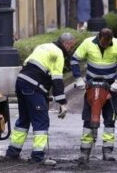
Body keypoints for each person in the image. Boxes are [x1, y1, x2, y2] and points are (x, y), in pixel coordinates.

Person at [6, 32, 78, 164]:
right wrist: (62, 102)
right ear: (66, 44)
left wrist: (43, 93)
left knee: (24, 119)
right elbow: (57, 80)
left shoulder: (43, 46)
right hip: (33, 87)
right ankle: (37, 156)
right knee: (41, 121)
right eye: (71, 46)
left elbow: (29, 65)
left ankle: (12, 153)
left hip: (21, 82)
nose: (71, 49)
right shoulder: (58, 54)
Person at [70, 28, 117, 163]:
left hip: (110, 88)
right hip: (91, 86)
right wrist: (78, 79)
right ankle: (85, 152)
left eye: (108, 43)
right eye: (103, 43)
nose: (105, 45)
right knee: (88, 119)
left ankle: (107, 151)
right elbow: (74, 60)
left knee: (110, 120)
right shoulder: (88, 43)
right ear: (98, 38)